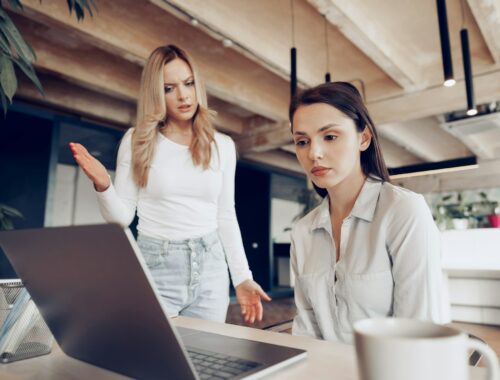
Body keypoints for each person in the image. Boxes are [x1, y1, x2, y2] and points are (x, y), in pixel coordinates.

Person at [69, 45, 270, 324]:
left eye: (188, 84)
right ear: (156, 94)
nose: (183, 95)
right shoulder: (137, 140)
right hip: (157, 266)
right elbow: (121, 218)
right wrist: (104, 185)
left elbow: (225, 215)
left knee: (207, 357)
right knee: (156, 359)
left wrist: (242, 277)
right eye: (169, 88)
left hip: (211, 267)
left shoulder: (222, 146)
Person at [289, 81, 449, 343]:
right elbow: (306, 331)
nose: (314, 153)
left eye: (330, 137)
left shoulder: (402, 211)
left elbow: (417, 330)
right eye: (302, 141)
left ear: (363, 138)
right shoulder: (303, 230)